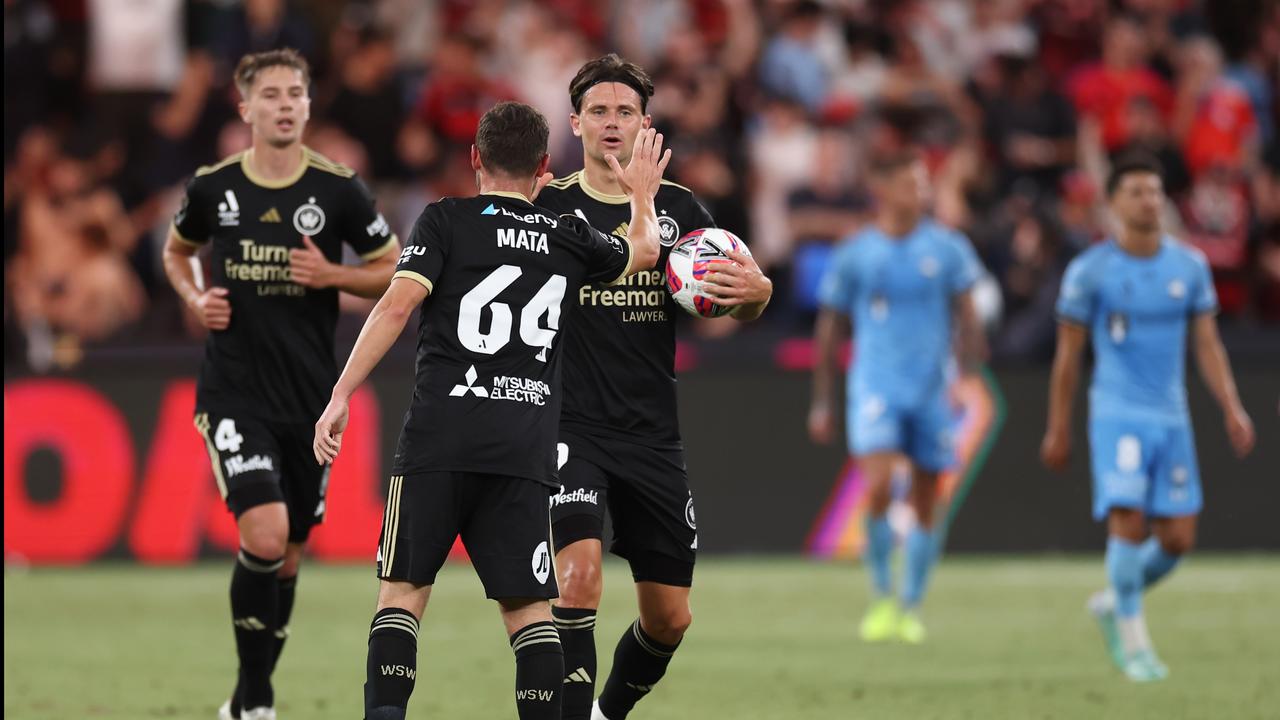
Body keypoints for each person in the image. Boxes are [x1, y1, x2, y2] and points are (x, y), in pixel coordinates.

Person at [312, 102, 667, 720]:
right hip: (522, 449)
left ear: (475, 159)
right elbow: (642, 251)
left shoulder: (445, 220)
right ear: (544, 169)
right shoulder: (568, 235)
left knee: (401, 596)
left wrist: (340, 394)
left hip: (437, 442)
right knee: (529, 612)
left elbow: (395, 308)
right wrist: (641, 195)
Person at [161, 48, 401, 720]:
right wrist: (192, 296)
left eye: (295, 92)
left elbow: (391, 266)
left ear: (308, 103)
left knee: (289, 555)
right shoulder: (213, 189)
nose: (286, 104)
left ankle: (249, 696)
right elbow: (176, 251)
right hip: (235, 392)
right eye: (271, 94)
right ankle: (257, 694)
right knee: (265, 535)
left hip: (308, 398)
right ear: (246, 108)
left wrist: (334, 278)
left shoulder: (337, 189)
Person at [533, 54, 773, 720]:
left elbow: (730, 308)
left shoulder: (680, 210)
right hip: (567, 426)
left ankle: (608, 711)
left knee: (670, 619)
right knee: (577, 579)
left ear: (646, 123)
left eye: (626, 112)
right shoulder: (549, 208)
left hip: (651, 435)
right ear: (576, 121)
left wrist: (758, 293)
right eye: (600, 111)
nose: (613, 124)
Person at [1041, 154, 1255, 682]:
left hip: (1172, 417)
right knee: (1128, 523)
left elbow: (1207, 345)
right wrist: (1058, 426)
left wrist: (1230, 406)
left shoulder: (1188, 266)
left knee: (1179, 539)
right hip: (1117, 414)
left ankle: (1113, 601)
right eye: (1136, 192)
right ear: (1112, 203)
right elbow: (1068, 356)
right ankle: (1135, 645)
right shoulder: (1091, 271)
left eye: (1155, 192)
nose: (1149, 201)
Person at [809, 149, 987, 645]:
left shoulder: (948, 248)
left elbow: (968, 314)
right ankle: (882, 595)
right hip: (875, 387)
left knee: (929, 496)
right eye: (912, 182)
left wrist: (968, 372)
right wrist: (823, 400)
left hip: (932, 389)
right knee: (882, 486)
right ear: (883, 189)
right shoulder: (858, 252)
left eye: (925, 183)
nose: (923, 192)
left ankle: (911, 604)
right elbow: (830, 327)